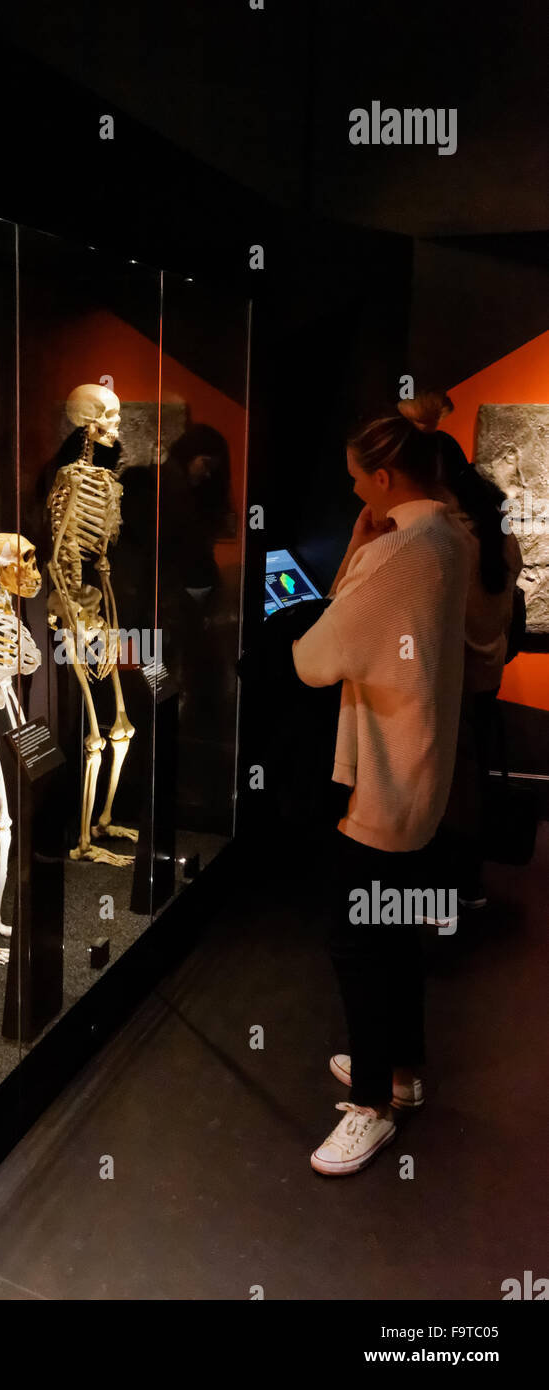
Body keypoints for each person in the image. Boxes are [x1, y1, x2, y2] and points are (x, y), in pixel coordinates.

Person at [292, 412, 471, 1176]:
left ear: (386, 478)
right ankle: (401, 1071)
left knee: (357, 940)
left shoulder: (399, 552)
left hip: (387, 778)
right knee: (393, 925)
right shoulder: (449, 537)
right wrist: (363, 548)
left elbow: (315, 656)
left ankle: (372, 1107)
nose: (354, 491)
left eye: (358, 479)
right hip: (424, 769)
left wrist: (360, 548)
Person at [399, 391, 524, 906]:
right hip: (486, 674)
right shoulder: (493, 526)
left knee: (446, 790)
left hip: (449, 682)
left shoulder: (442, 534)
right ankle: (464, 885)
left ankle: (445, 891)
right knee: (466, 782)